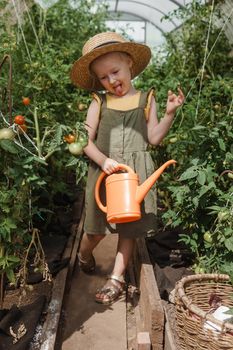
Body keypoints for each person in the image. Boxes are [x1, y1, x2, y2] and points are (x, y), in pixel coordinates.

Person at [70, 31, 185, 305]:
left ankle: (116, 278)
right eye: (103, 78)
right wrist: (102, 160)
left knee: (129, 229)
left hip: (135, 174)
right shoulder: (100, 102)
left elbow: (154, 138)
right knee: (96, 228)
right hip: (105, 172)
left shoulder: (147, 99)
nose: (111, 81)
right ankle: (84, 255)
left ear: (130, 64)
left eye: (115, 72)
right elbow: (83, 140)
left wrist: (169, 114)